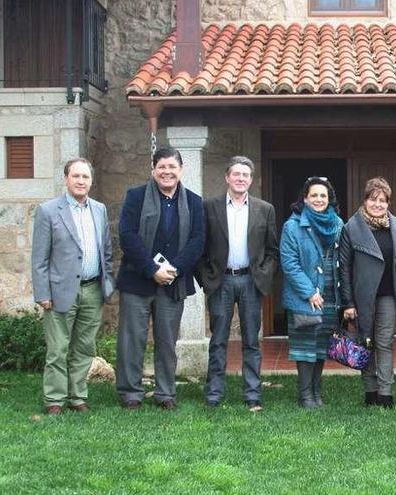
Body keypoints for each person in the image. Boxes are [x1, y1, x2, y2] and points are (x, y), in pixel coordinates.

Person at [115, 146, 205, 410]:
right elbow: (127, 235)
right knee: (132, 339)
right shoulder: (136, 197)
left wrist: (173, 269)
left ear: (180, 170)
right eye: (162, 167)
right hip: (137, 280)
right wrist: (151, 269)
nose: (167, 172)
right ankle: (131, 392)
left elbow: (197, 241)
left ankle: (166, 392)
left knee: (167, 341)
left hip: (172, 283)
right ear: (153, 169)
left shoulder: (194, 202)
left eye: (172, 167)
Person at [31, 158, 114, 415]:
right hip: (59, 292)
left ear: (91, 181)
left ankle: (78, 397)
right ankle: (54, 400)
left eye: (85, 177)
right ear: (66, 179)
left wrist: (106, 283)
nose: (80, 181)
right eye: (76, 176)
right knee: (57, 349)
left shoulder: (99, 210)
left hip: (92, 290)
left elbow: (107, 251)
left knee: (85, 348)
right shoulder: (48, 211)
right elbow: (39, 258)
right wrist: (43, 293)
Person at [197, 156, 278, 411]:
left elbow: (272, 250)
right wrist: (206, 278)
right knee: (218, 339)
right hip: (221, 281)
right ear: (227, 178)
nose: (240, 179)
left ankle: (253, 393)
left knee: (251, 341)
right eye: (236, 174)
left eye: (245, 175)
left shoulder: (265, 209)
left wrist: (262, 276)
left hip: (250, 281)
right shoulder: (210, 207)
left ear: (251, 180)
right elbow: (199, 248)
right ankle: (214, 393)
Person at [339, 177, 396, 409]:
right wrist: (348, 302)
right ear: (365, 200)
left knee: (385, 342)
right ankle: (370, 391)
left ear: (388, 202)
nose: (378, 204)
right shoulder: (352, 226)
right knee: (366, 342)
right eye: (373, 200)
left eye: (383, 200)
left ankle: (386, 393)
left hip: (390, 294)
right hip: (363, 297)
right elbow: (345, 267)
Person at [280, 176, 344, 408]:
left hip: (330, 294)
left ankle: (317, 393)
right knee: (304, 345)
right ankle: (305, 396)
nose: (318, 199)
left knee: (321, 346)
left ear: (329, 200)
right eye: (314, 195)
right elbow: (289, 263)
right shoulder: (292, 226)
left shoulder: (337, 224)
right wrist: (309, 292)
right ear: (305, 199)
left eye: (323, 196)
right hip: (305, 295)